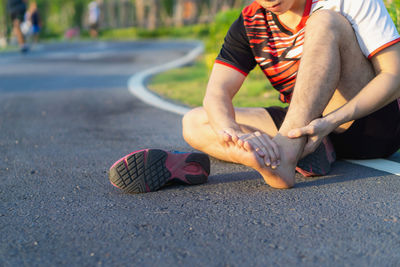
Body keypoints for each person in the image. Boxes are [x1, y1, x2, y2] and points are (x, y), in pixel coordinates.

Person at [109, 0, 400, 194]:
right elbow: (217, 93)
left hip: (370, 124)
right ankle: (276, 155)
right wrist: (235, 135)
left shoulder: (349, 1)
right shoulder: (250, 23)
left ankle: (283, 157)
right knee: (195, 121)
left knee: (325, 22)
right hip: (308, 129)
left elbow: (394, 76)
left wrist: (331, 121)